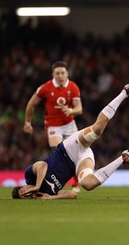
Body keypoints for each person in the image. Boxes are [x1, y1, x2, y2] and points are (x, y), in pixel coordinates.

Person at [12, 81, 129, 199]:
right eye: (25, 198)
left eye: (23, 193)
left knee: (96, 131)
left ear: (23, 188)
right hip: (79, 162)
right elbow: (72, 194)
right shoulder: (46, 193)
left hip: (68, 148)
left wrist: (36, 185)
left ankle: (124, 92)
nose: (27, 195)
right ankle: (122, 158)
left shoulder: (29, 176)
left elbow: (42, 165)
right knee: (88, 184)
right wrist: (50, 197)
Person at [23, 61, 83, 192]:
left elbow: (79, 108)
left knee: (77, 152)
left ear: (67, 73)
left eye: (63, 73)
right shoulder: (45, 88)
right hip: (53, 125)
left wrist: (72, 111)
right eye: (57, 73)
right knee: (60, 151)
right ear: (53, 74)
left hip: (69, 124)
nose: (60, 76)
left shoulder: (73, 87)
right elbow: (31, 103)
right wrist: (27, 122)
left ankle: (76, 183)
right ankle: (52, 180)